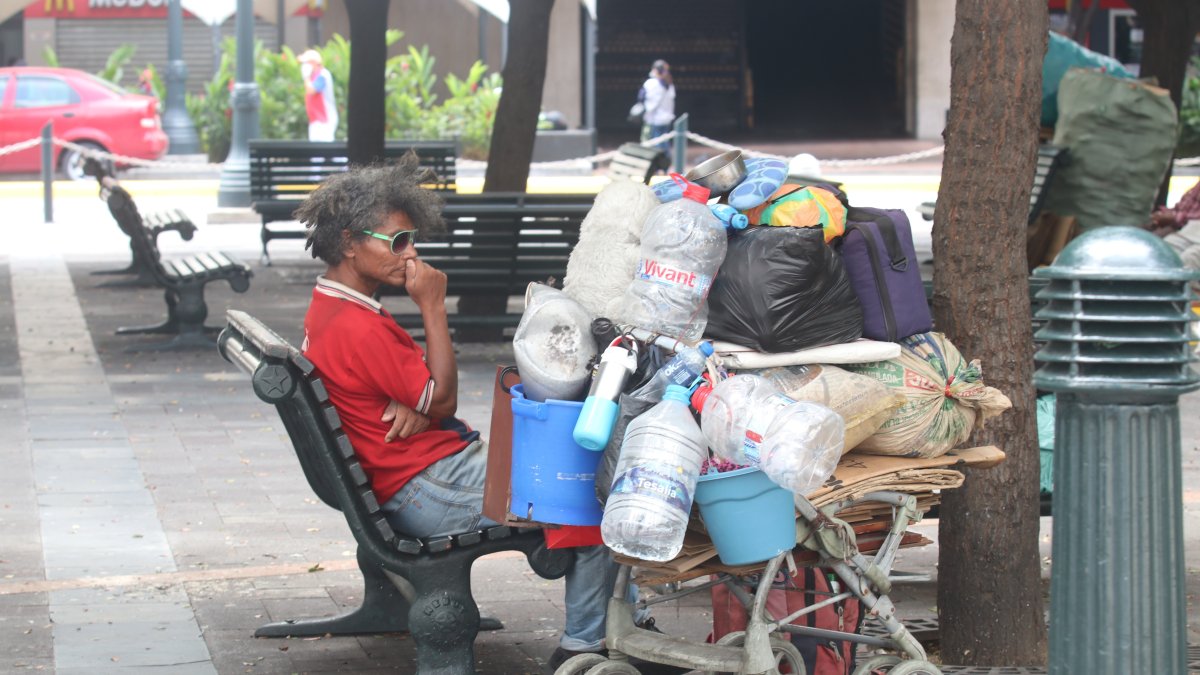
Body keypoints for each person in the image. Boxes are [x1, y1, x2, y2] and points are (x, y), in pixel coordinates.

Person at [295, 157, 646, 672]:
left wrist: (420, 409)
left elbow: (409, 394)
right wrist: (434, 307)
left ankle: (617, 625)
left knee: (570, 474)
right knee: (590, 495)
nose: (410, 254)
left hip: (416, 473)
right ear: (349, 243)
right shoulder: (357, 325)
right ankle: (585, 646)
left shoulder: (334, 307)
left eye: (411, 240)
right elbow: (442, 399)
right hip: (427, 486)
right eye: (397, 242)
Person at [298, 49, 338, 142]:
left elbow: (312, 90)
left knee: (325, 148)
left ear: (314, 63)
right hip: (315, 120)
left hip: (324, 119)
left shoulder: (323, 74)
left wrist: (306, 77)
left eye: (306, 63)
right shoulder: (313, 76)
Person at [640, 59, 675, 154]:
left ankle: (661, 161)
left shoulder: (651, 83)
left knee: (655, 144)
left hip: (654, 119)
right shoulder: (669, 83)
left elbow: (641, 97)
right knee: (664, 142)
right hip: (666, 118)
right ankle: (666, 161)